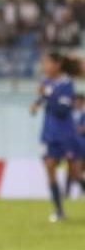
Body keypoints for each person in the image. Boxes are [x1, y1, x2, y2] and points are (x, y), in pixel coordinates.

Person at [30, 53, 82, 221]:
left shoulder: (67, 84)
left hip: (66, 134)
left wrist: (48, 93)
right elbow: (43, 98)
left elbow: (63, 110)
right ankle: (59, 211)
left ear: (57, 64)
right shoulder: (46, 82)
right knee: (50, 167)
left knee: (75, 173)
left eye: (47, 63)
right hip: (49, 134)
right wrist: (36, 104)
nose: (45, 67)